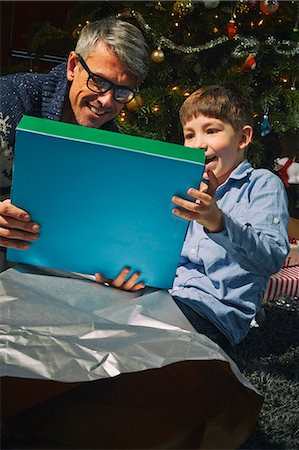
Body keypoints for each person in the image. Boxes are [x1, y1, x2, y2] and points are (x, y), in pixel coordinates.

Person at [0, 16, 149, 285]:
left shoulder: (114, 147)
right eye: (99, 81)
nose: (106, 101)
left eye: (122, 92)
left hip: (49, 279)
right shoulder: (9, 99)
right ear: (72, 66)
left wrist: (115, 267)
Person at [169, 85, 289, 352]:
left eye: (211, 131)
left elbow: (271, 258)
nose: (198, 143)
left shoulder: (262, 184)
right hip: (167, 297)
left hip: (215, 315)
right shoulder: (186, 185)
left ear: (243, 138)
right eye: (190, 135)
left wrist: (217, 222)